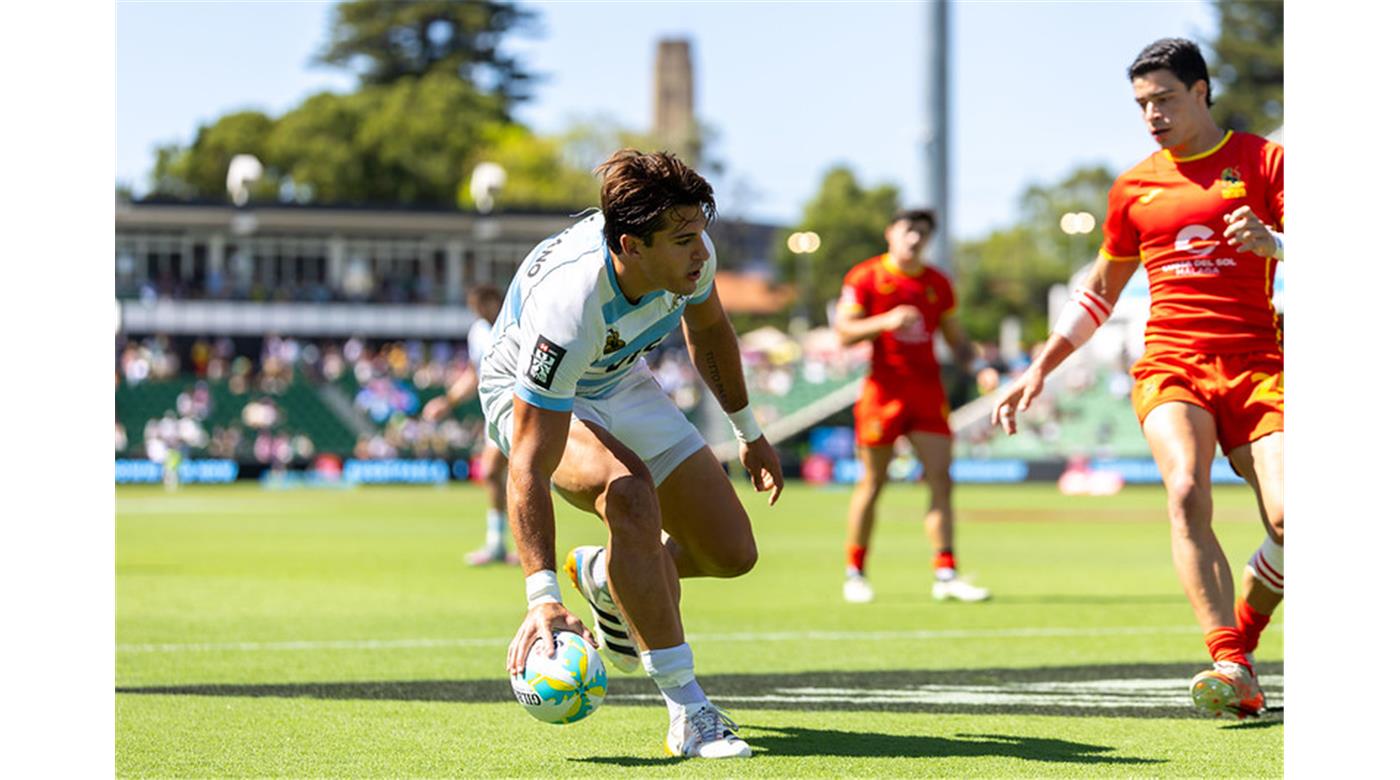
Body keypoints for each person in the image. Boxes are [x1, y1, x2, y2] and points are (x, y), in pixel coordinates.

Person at [992, 38, 1283, 719]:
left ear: (1202, 91)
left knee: (1290, 519)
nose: (1152, 114)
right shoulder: (1134, 187)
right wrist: (1039, 367)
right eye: (1141, 104)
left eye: (1165, 99)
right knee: (1185, 489)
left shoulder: (1264, 161)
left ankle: (1246, 627)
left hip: (1260, 364)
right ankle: (1229, 661)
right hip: (1172, 363)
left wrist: (1276, 244)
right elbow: (1098, 291)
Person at [486, 149, 784, 759]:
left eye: (702, 233)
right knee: (627, 492)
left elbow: (708, 333)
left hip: (618, 378)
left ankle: (608, 574)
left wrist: (748, 431)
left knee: (730, 553)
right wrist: (542, 596)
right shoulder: (571, 302)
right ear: (631, 245)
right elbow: (528, 462)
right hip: (534, 390)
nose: (701, 254)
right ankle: (689, 711)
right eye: (683, 240)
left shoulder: (689, 254)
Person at [833, 209, 985, 604]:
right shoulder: (864, 277)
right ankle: (855, 571)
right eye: (908, 230)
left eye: (923, 233)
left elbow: (956, 338)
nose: (915, 239)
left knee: (941, 481)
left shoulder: (937, 283)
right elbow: (844, 332)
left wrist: (980, 367)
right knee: (872, 483)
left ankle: (946, 573)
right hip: (882, 393)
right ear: (891, 233)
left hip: (927, 392)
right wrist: (884, 322)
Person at [422, 285, 516, 566]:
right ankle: (498, 544)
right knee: (492, 473)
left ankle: (513, 546)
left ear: (494, 301)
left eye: (480, 306)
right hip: (497, 411)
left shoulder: (519, 321)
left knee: (509, 473)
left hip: (526, 407)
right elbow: (476, 375)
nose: (478, 313)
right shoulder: (478, 332)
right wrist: (447, 401)